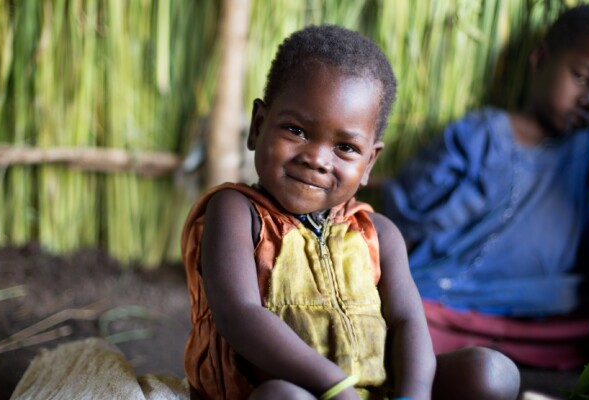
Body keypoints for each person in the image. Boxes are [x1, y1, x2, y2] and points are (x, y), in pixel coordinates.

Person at [182, 25, 520, 400]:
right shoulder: (235, 212)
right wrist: (336, 387)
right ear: (259, 126)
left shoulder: (377, 233)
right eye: (296, 130)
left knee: (492, 372)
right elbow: (239, 315)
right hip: (290, 392)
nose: (316, 159)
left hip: (376, 389)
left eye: (345, 147)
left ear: (370, 162)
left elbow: (408, 321)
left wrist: (413, 395)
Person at [382, 5, 589, 369]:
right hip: (453, 298)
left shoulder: (584, 148)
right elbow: (409, 218)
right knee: (411, 321)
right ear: (540, 59)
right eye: (580, 77)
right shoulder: (479, 133)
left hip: (541, 307)